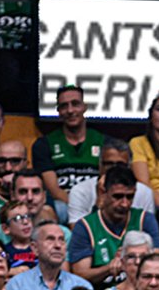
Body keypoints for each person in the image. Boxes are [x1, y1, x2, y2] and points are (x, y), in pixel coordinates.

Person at [30, 86, 105, 217]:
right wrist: (80, 208)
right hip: (64, 205)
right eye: (64, 106)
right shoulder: (44, 144)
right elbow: (54, 190)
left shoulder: (103, 141)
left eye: (75, 104)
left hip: (97, 203)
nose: (70, 110)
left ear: (84, 107)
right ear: (58, 111)